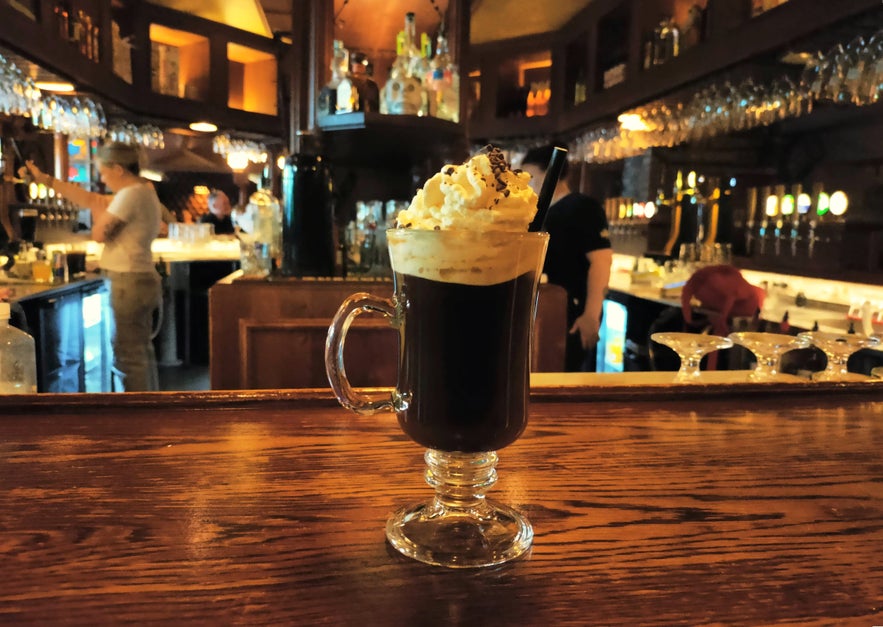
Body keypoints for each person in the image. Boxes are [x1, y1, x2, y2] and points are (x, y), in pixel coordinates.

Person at [22, 143, 162, 391]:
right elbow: (91, 199)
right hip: (139, 279)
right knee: (140, 353)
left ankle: (137, 418)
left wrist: (100, 217)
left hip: (127, 282)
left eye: (104, 174)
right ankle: (149, 409)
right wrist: (45, 180)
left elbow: (99, 234)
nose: (104, 180)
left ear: (118, 169)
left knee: (128, 357)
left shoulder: (130, 195)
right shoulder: (143, 190)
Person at [521, 143, 613, 372]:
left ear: (550, 172)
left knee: (562, 375)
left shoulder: (582, 207)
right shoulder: (539, 213)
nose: (527, 184)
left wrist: (591, 315)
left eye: (531, 176)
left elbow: (601, 261)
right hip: (543, 312)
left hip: (570, 314)